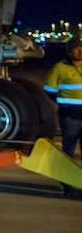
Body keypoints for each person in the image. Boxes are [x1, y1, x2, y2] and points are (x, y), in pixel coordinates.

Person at [44, 37, 82, 197]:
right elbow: (49, 89)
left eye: (81, 48)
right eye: (76, 49)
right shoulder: (59, 68)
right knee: (68, 152)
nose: (80, 51)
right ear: (69, 51)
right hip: (70, 118)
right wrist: (64, 104)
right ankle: (67, 185)